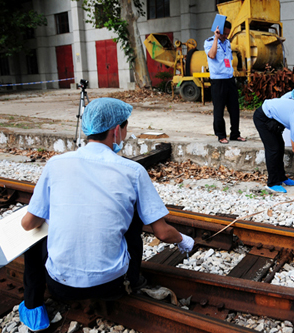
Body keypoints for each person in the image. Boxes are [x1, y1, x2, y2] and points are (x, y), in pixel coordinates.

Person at [18, 98, 195, 331]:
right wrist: (184, 241)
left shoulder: (55, 164)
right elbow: (161, 232)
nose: (125, 133)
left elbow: (28, 223)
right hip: (111, 285)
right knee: (133, 214)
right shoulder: (133, 171)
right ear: (115, 131)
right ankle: (133, 280)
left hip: (59, 286)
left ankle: (33, 309)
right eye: (125, 127)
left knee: (36, 234)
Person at [204, 20, 246, 144]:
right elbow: (211, 55)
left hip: (229, 78)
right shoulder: (209, 42)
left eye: (227, 34)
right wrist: (216, 38)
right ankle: (221, 135)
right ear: (218, 31)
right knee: (219, 109)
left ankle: (235, 134)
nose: (226, 36)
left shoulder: (227, 42)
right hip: (218, 80)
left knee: (234, 108)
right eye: (224, 34)